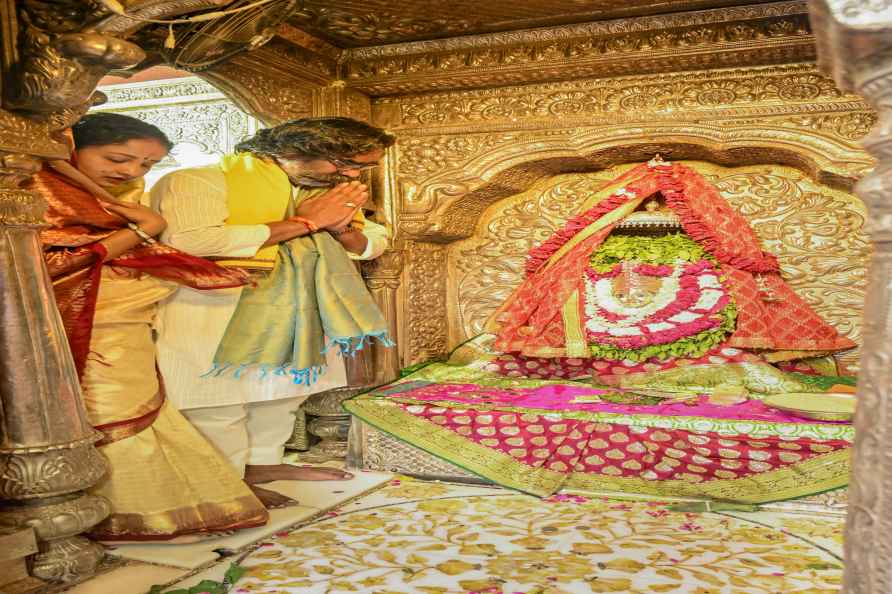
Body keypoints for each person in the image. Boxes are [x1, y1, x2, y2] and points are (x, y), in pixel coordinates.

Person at [345, 156, 856, 504]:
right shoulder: (584, 272)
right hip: (586, 355)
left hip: (700, 360)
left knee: (735, 370)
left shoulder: (708, 272)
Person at [35, 112, 268, 540]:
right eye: (117, 158)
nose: (130, 172)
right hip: (84, 323)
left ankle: (157, 503)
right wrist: (146, 230)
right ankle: (119, 510)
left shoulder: (106, 198)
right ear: (71, 148)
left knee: (138, 406)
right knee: (108, 408)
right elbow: (55, 265)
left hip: (123, 322)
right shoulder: (42, 193)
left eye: (145, 165)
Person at [151, 117, 394, 507]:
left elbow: (371, 244)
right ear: (290, 150)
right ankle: (222, 483)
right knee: (219, 402)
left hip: (299, 307)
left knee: (281, 394)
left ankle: (262, 464)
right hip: (216, 307)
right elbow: (192, 240)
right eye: (340, 161)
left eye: (360, 166)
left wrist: (340, 228)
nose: (349, 173)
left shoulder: (325, 191)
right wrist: (306, 222)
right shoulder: (198, 180)